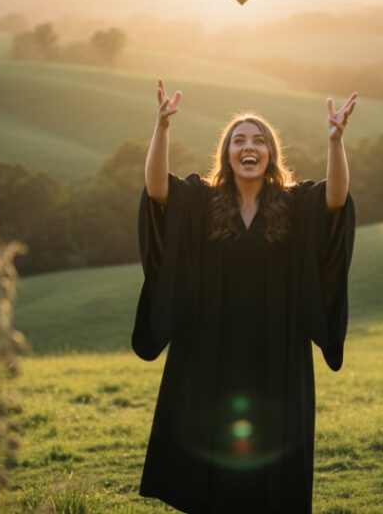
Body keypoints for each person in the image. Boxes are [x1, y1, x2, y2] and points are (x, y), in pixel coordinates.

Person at [133, 79, 358, 513]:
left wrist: (336, 140)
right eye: (239, 140)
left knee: (273, 462)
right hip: (209, 349)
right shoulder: (202, 200)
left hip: (277, 353)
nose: (248, 146)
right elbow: (158, 190)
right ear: (228, 154)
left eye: (258, 140)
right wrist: (161, 128)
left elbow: (336, 201)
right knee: (210, 456)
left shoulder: (294, 204)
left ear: (270, 153)